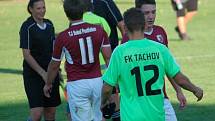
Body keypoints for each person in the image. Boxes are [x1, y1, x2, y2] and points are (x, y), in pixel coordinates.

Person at [101, 7, 203, 121]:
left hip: (131, 117)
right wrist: (195, 89)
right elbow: (180, 79)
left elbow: (107, 88)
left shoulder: (119, 52)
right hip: (156, 116)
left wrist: (103, 102)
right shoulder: (160, 49)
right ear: (144, 26)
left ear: (125, 27)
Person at [43, 0, 112, 121]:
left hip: (77, 84)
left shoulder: (63, 37)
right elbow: (108, 58)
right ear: (83, 10)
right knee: (99, 117)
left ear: (66, 13)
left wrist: (48, 83)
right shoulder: (99, 30)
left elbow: (54, 65)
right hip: (97, 81)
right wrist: (112, 81)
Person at [122, 0, 186, 121]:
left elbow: (168, 67)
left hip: (161, 98)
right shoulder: (128, 38)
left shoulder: (160, 32)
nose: (151, 16)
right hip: (138, 102)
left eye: (153, 12)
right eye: (146, 13)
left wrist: (178, 91)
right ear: (138, 14)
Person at [19, 0, 61, 121]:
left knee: (51, 113)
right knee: (37, 114)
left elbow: (53, 48)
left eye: (43, 7)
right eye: (38, 8)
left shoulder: (49, 24)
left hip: (50, 74)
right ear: (31, 9)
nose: (42, 11)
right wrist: (43, 73)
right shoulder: (27, 27)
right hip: (33, 75)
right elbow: (26, 55)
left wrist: (55, 70)